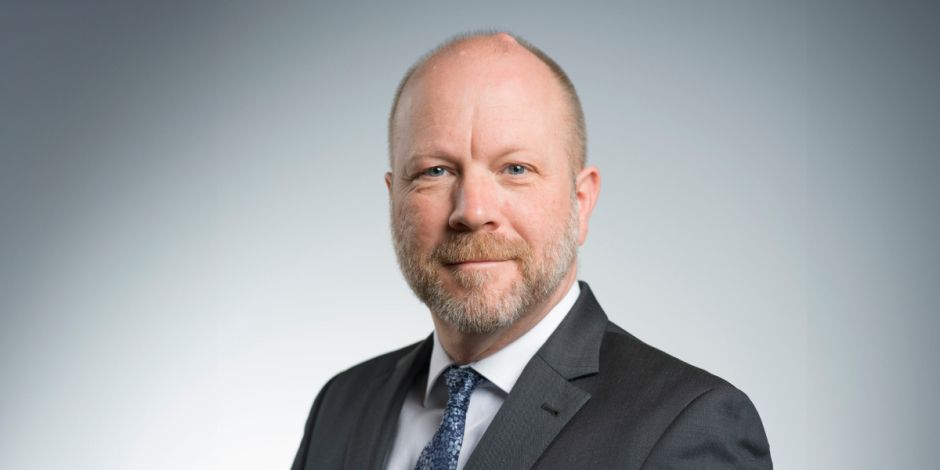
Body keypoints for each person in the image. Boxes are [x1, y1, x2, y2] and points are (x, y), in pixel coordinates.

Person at [292, 31, 772, 470]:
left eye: (515, 169)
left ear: (581, 202)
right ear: (394, 198)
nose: (473, 211)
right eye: (435, 171)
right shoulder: (342, 404)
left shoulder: (688, 424)